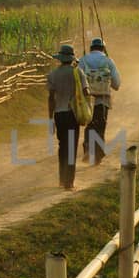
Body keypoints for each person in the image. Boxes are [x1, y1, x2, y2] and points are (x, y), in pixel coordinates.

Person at [76, 37, 121, 164]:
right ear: (103, 48)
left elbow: (78, 79)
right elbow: (117, 83)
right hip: (103, 101)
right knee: (100, 126)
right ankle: (98, 155)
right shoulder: (108, 61)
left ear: (91, 48)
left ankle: (88, 149)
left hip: (87, 101)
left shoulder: (83, 60)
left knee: (90, 125)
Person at [46, 43, 82, 189]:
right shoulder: (77, 73)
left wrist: (50, 117)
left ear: (60, 58)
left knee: (62, 147)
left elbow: (51, 98)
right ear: (72, 58)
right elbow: (85, 91)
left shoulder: (53, 74)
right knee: (72, 147)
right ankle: (70, 182)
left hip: (59, 114)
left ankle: (62, 179)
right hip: (73, 114)